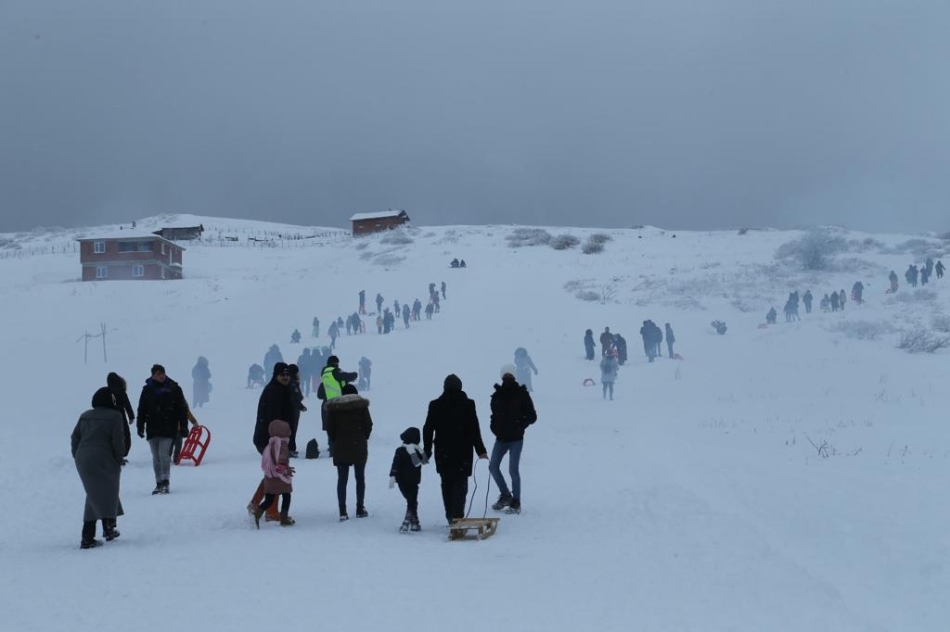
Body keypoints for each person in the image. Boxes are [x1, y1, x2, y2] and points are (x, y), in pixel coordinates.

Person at [423, 374, 488, 524]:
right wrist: (480, 450)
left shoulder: (435, 404)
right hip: (463, 451)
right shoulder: (468, 404)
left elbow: (427, 428)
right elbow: (474, 429)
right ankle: (457, 516)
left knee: (446, 483)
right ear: (460, 387)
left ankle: (450, 515)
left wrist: (427, 449)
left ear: (444, 387)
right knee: (461, 483)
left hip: (443, 451)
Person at [72, 387, 126, 549]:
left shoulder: (85, 416)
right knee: (105, 492)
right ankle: (88, 537)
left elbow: (75, 437)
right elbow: (118, 440)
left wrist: (77, 455)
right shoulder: (115, 416)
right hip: (104, 457)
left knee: (96, 492)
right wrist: (119, 457)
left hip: (83, 457)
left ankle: (108, 528)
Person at [488, 365, 538, 515]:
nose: (507, 378)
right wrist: (495, 427)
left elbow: (532, 416)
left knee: (513, 470)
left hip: (516, 439)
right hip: (501, 438)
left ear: (514, 377)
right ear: (501, 377)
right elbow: (494, 415)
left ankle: (516, 502)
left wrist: (519, 425)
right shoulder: (497, 395)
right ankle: (505, 495)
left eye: (509, 376)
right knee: (493, 467)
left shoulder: (522, 394)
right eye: (505, 376)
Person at [249, 362, 294, 522]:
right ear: (276, 375)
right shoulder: (274, 391)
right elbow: (275, 419)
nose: (285, 377)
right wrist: (279, 442)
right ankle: (271, 511)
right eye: (282, 374)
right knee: (276, 475)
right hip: (269, 439)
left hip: (272, 438)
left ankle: (255, 504)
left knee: (272, 474)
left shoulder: (281, 389)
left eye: (287, 374)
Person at [136, 364, 188, 495]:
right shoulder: (147, 390)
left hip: (168, 426)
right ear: (153, 375)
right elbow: (142, 409)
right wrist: (140, 426)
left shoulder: (174, 388)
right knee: (156, 457)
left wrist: (183, 426)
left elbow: (182, 409)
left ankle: (165, 481)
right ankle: (158, 482)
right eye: (158, 374)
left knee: (164, 455)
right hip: (152, 427)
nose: (161, 376)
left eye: (162, 373)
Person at [326, 383, 373, 520]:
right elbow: (368, 425)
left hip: (341, 446)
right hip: (358, 446)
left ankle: (342, 511)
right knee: (360, 478)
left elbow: (330, 429)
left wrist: (336, 440)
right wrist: (362, 437)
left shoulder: (334, 408)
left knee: (342, 479)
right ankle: (360, 508)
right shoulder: (361, 407)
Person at [252, 419, 295, 528]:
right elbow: (282, 457)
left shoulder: (271, 443)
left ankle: (258, 512)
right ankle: (284, 518)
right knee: (287, 496)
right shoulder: (282, 443)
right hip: (280, 476)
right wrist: (284, 468)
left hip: (270, 476)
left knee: (269, 499)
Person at [317, 355, 358, 458]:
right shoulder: (335, 371)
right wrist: (355, 374)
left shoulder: (325, 376)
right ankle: (335, 449)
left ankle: (331, 446)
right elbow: (347, 376)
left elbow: (319, 395)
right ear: (335, 363)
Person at [390, 426, 428, 533]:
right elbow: (425, 460)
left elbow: (395, 464)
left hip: (402, 481)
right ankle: (413, 521)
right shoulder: (418, 451)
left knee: (410, 500)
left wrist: (393, 474)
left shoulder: (400, 450)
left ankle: (410, 520)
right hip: (414, 480)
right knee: (412, 500)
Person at [106, 372, 134, 457]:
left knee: (112, 436)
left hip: (109, 418)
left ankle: (112, 454)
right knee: (125, 435)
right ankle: (122, 454)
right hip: (120, 416)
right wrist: (131, 416)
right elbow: (127, 404)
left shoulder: (107, 392)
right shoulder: (121, 391)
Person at [287, 364, 307, 458]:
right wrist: (301, 406)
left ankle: (290, 448)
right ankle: (290, 449)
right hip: (292, 409)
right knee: (292, 429)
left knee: (291, 429)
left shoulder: (288, 381)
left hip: (290, 408)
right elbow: (294, 397)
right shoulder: (292, 382)